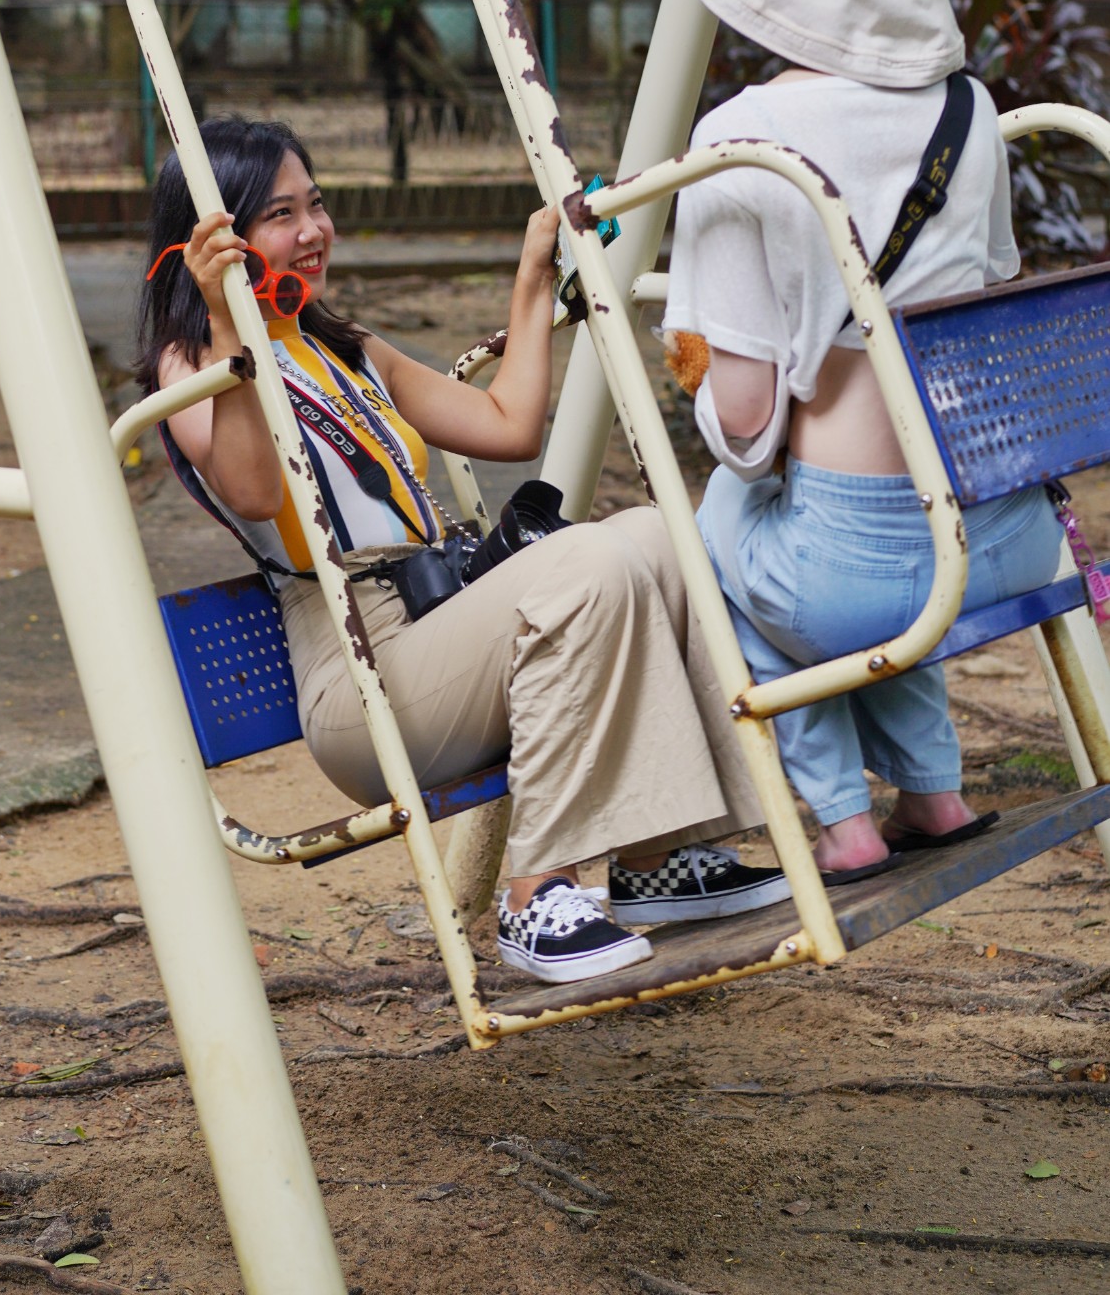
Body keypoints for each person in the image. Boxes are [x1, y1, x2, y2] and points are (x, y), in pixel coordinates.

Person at [137, 115, 790, 985]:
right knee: (587, 564)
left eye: (317, 206)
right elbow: (256, 491)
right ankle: (534, 899)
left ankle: (661, 857)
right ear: (215, 244)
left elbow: (507, 426)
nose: (312, 233)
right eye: (281, 216)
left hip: (436, 626)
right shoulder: (190, 365)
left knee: (656, 536)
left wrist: (531, 276)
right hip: (359, 670)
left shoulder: (342, 349)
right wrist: (231, 335)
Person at [662, 0, 1065, 884]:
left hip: (866, 578)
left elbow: (743, 426)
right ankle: (932, 791)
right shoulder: (969, 110)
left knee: (719, 524)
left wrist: (731, 377)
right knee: (869, 529)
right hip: (1006, 540)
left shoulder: (744, 140)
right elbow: (981, 308)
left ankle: (839, 815)